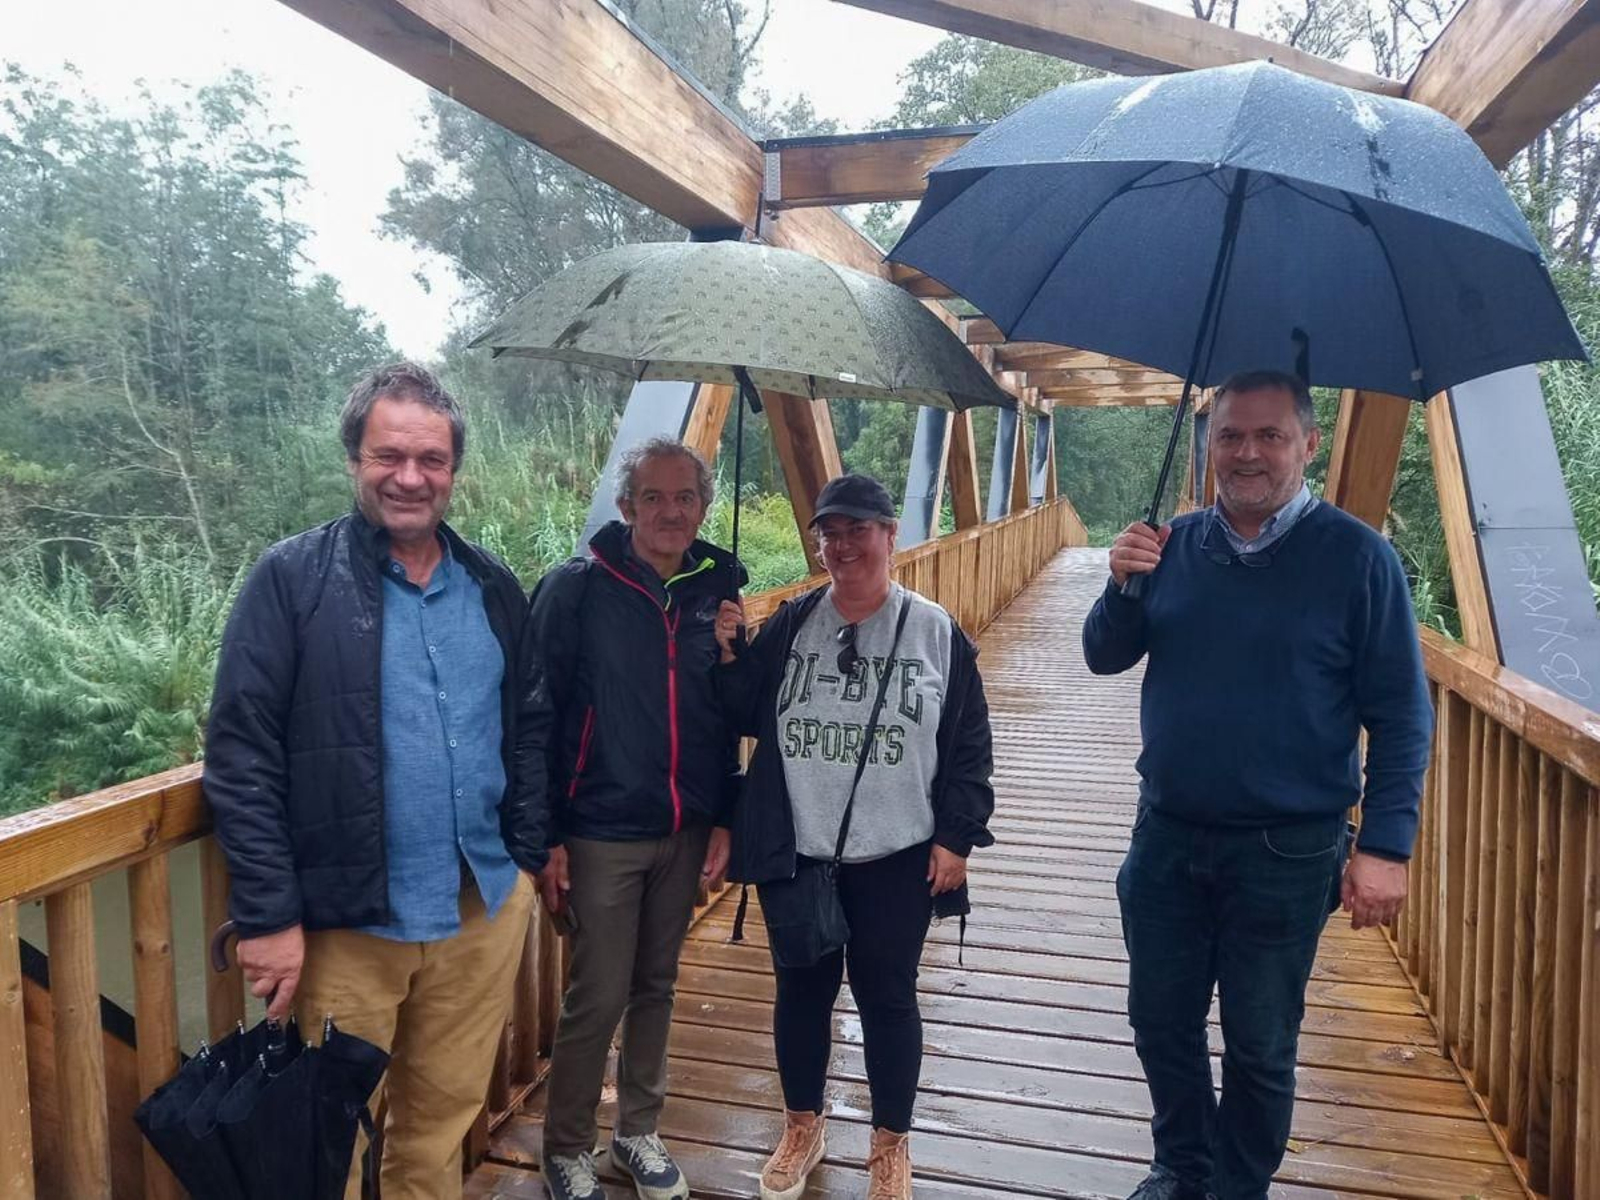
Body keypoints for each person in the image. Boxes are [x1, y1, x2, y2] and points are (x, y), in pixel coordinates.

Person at [1082, 370, 1434, 1200]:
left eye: (1270, 436)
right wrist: (1120, 581)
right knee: (1159, 1022)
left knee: (1261, 1040)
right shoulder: (1172, 543)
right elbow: (1104, 653)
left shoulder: (1359, 558)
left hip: (1288, 848)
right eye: (1231, 435)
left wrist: (1384, 847)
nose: (1248, 452)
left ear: (1309, 446)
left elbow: (1403, 715)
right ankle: (1184, 1164)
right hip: (1166, 832)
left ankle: (1237, 1187)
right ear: (1208, 445)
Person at [203, 362, 539, 1200]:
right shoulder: (293, 580)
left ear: (454, 470)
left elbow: (530, 725)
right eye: (389, 456)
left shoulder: (492, 585)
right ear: (354, 458)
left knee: (439, 1123)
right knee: (326, 1143)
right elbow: (241, 753)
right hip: (349, 923)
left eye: (431, 459)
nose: (411, 477)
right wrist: (269, 915)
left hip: (479, 909)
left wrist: (526, 855)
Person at [712, 473, 996, 1200]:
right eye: (829, 533)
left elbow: (968, 746)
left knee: (888, 998)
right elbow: (746, 713)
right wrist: (730, 652)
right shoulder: (795, 619)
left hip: (897, 853)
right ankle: (803, 1127)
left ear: (890, 534)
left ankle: (888, 1144)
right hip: (799, 849)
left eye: (857, 530)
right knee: (801, 994)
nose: (841, 546)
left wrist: (956, 838)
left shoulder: (936, 631)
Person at [515, 436, 741, 1200]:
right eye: (653, 496)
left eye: (685, 498)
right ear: (625, 506)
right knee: (598, 993)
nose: (670, 511)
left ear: (704, 507)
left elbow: (725, 715)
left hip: (684, 825)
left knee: (657, 985)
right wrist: (543, 836)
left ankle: (637, 1133)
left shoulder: (719, 588)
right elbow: (534, 716)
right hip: (600, 828)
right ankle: (566, 1146)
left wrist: (723, 816)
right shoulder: (576, 588)